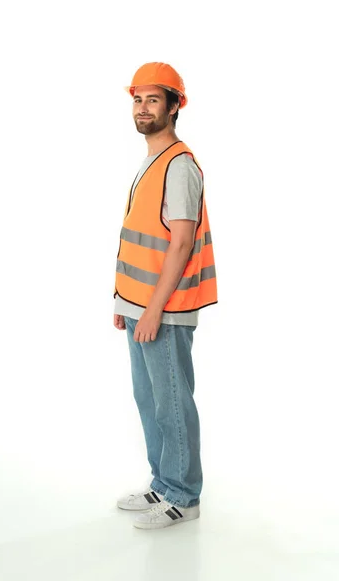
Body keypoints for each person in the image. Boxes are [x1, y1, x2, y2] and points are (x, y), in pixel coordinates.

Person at [113, 62, 218, 530]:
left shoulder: (179, 164)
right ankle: (162, 483)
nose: (143, 108)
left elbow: (179, 242)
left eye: (153, 100)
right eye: (138, 100)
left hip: (166, 311)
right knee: (148, 397)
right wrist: (124, 302)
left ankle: (184, 495)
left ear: (175, 106)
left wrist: (152, 308)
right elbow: (142, 234)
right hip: (138, 306)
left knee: (172, 401)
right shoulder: (152, 160)